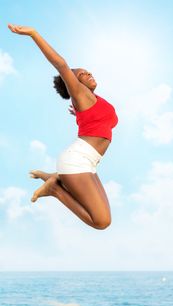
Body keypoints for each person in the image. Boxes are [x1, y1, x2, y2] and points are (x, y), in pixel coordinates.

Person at [8, 24, 118, 230]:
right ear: (73, 83)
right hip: (77, 160)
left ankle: (54, 178)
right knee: (102, 221)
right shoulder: (80, 94)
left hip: (89, 162)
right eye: (82, 74)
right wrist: (34, 34)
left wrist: (78, 114)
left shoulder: (92, 100)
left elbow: (97, 121)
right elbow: (60, 64)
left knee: (104, 216)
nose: (89, 73)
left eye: (88, 71)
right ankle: (55, 190)